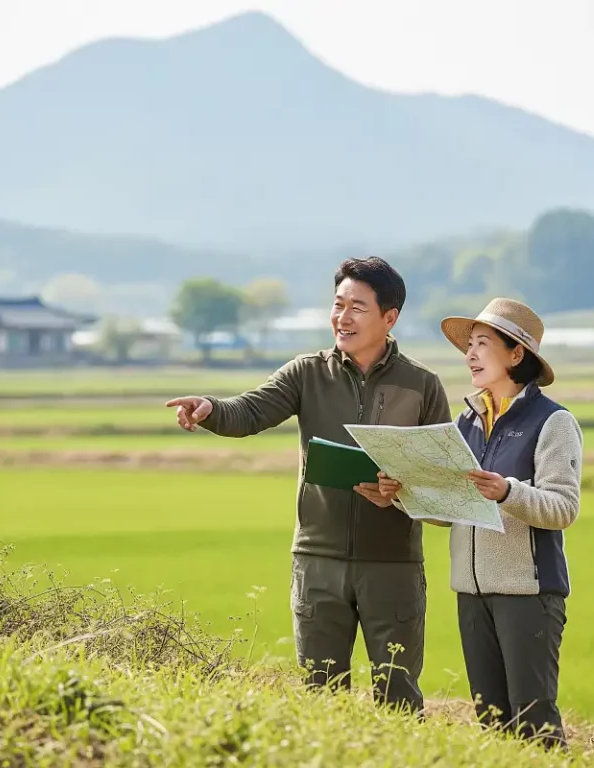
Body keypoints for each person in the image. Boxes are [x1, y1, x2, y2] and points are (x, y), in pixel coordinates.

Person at [166, 257, 451, 713]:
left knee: (398, 698)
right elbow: (250, 411)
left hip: (393, 566)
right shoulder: (306, 373)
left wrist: (402, 493)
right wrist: (210, 408)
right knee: (321, 698)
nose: (343, 316)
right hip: (318, 561)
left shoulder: (423, 386)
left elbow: (443, 484)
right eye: (338, 304)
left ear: (390, 317)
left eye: (358, 307)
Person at [377, 298, 582, 746]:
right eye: (468, 345)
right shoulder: (468, 421)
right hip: (471, 593)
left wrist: (508, 491)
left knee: (534, 722)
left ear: (516, 354)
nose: (469, 354)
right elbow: (456, 508)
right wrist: (402, 495)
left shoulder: (553, 422)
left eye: (482, 344)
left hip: (528, 594)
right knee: (491, 721)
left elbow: (563, 507)